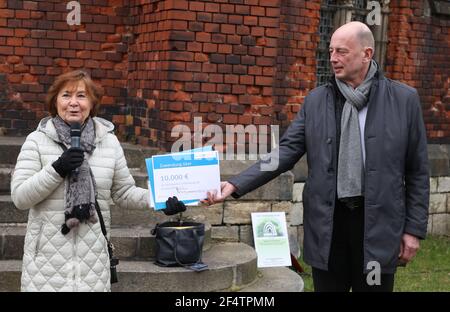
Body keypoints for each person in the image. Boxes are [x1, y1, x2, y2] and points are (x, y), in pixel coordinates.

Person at [204, 22, 429, 292]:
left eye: (342, 51)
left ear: (367, 54)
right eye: (331, 50)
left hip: (378, 226)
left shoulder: (404, 100)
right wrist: (235, 183)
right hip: (328, 226)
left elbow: (417, 171)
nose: (333, 58)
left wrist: (413, 230)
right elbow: (285, 153)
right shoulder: (316, 101)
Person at [11, 70, 185, 292]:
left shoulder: (109, 143)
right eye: (66, 95)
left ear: (92, 103)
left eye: (81, 96)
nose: (73, 103)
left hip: (93, 267)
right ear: (55, 102)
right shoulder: (36, 141)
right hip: (45, 268)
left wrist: (160, 200)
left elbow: (124, 192)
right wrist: (57, 169)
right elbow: (20, 197)